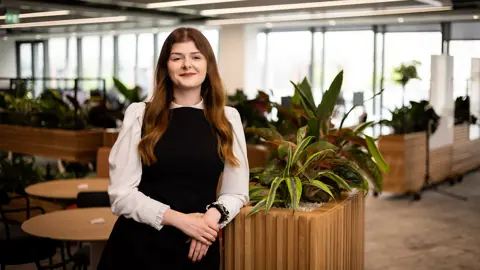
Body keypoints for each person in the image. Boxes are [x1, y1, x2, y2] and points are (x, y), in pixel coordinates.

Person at [97, 27, 249, 270]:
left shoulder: (227, 119)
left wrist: (211, 218)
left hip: (197, 247)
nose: (187, 64)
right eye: (177, 58)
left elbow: (237, 192)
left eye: (196, 57)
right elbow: (121, 195)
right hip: (139, 249)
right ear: (166, 67)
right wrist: (182, 221)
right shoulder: (140, 115)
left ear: (208, 65)